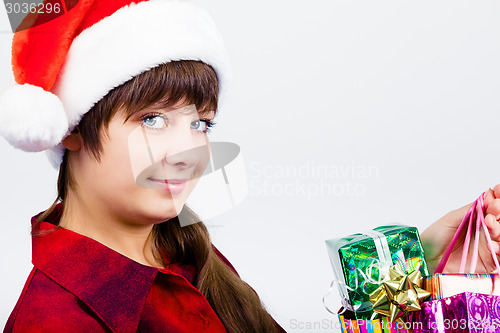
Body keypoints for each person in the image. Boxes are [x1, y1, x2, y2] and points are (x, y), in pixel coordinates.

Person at [0, 0, 285, 332]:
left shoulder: (188, 250)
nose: (187, 154)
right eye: (153, 119)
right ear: (72, 129)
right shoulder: (52, 321)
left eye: (200, 125)